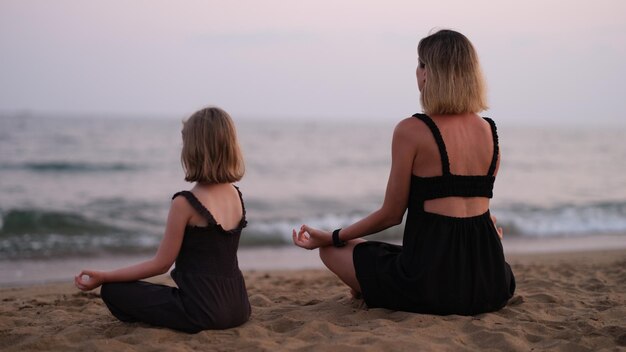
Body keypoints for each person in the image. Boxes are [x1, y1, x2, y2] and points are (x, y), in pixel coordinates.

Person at [293, 29, 515, 315]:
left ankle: (368, 286)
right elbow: (470, 205)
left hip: (431, 285)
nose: (417, 71)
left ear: (428, 73)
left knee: (334, 251)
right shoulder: (489, 131)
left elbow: (391, 214)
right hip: (490, 281)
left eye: (420, 63)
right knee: (383, 253)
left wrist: (332, 237)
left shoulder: (412, 131)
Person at [75, 106, 251, 332]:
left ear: (194, 150)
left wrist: (104, 276)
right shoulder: (235, 194)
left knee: (113, 290)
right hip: (238, 307)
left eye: (185, 142)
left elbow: (161, 264)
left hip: (201, 311)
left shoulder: (185, 203)